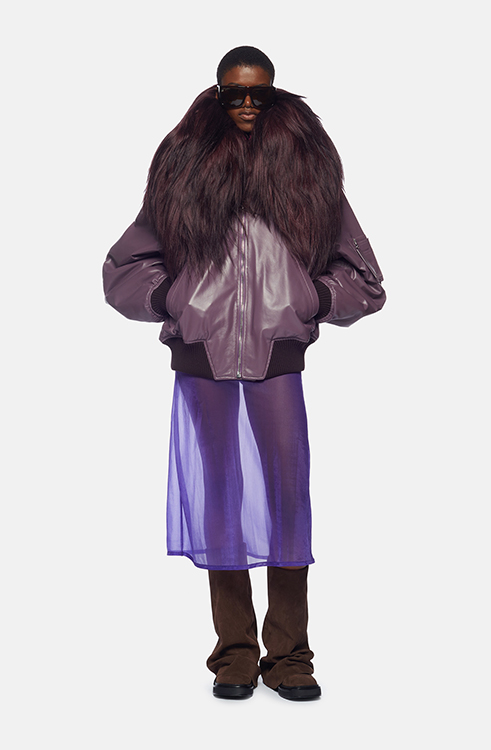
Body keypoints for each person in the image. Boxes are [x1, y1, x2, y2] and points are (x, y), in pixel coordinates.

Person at [103, 46, 386, 701]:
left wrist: (309, 298)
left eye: (259, 92)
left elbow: (365, 279)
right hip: (202, 358)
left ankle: (289, 655)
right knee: (220, 495)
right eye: (235, 93)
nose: (248, 104)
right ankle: (234, 653)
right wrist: (173, 297)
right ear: (218, 94)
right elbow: (125, 268)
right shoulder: (184, 168)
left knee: (288, 496)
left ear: (276, 93)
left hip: (276, 359)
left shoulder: (307, 171)